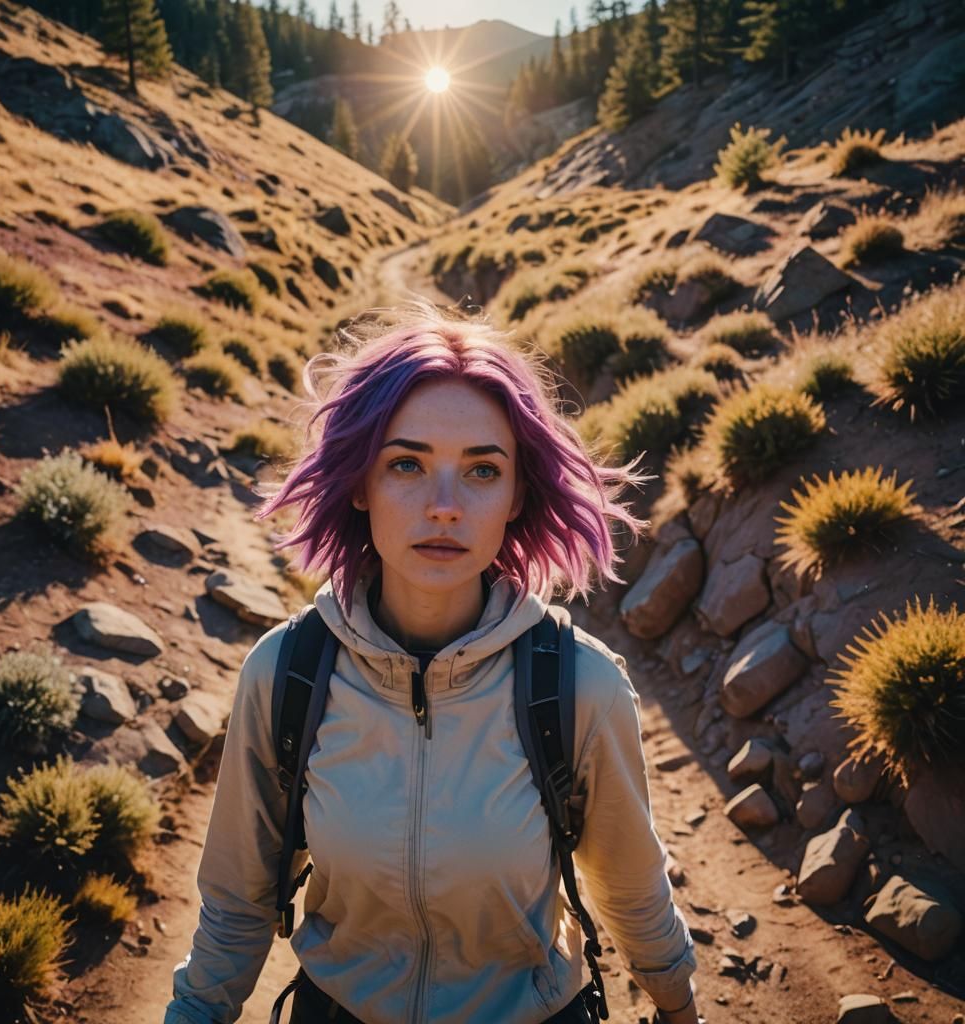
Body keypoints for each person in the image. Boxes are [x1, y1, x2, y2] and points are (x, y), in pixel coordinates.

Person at [164, 300, 699, 1024]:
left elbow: (633, 890)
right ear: (359, 483)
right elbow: (236, 903)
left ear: (516, 496)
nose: (444, 506)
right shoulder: (286, 674)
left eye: (482, 471)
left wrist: (678, 1007)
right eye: (407, 464)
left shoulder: (579, 685)